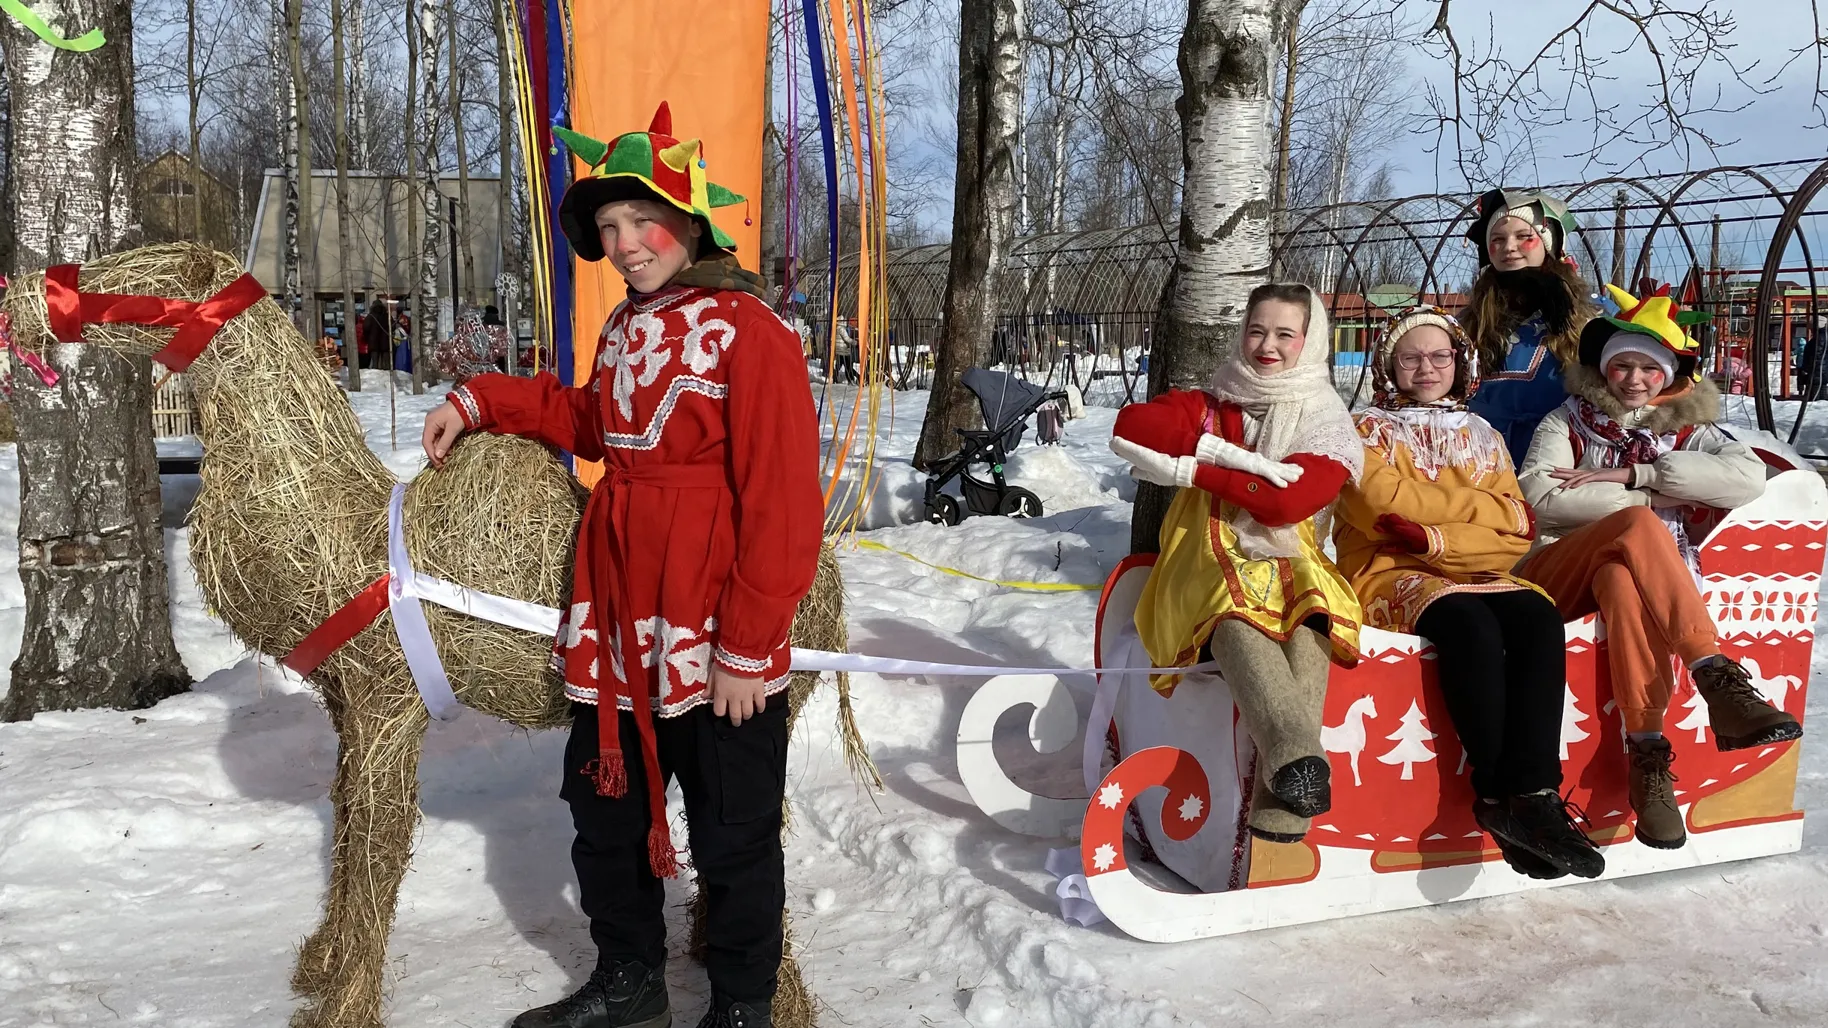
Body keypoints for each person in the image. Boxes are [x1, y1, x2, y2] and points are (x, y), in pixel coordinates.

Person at [422, 103, 822, 1028]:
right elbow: (589, 424)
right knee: (606, 814)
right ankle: (630, 980)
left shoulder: (749, 332)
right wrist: (480, 399)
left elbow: (783, 503)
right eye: (606, 230)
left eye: (639, 221)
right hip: (615, 610)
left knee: (734, 829)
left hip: (711, 622)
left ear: (687, 218)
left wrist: (749, 647)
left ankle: (743, 1004)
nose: (626, 244)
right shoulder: (624, 330)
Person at [1517, 283, 1802, 851]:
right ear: (1603, 368)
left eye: (1648, 368)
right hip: (1555, 569)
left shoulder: (1689, 428)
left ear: (1667, 375)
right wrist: (1648, 505)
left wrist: (1638, 476)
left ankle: (1648, 759)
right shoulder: (1566, 421)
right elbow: (1539, 497)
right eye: (1621, 365)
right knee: (1641, 530)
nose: (1634, 379)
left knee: (1623, 579)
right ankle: (1714, 674)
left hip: (1632, 575)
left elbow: (1747, 479)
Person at [1333, 307, 1601, 880]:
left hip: (1471, 568)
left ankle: (1534, 798)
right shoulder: (1362, 432)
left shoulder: (1482, 434)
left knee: (1535, 614)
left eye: (1439, 355)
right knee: (1469, 625)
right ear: (1388, 363)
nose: (1426, 368)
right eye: (1411, 357)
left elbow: (1517, 532)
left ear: (1461, 361)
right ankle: (1496, 792)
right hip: (1386, 572)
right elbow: (1380, 509)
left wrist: (1433, 533)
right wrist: (1480, 514)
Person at [1108, 283, 1364, 843]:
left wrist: (1187, 465)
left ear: (1310, 340)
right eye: (1255, 331)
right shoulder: (1215, 400)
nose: (1266, 346)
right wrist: (1227, 458)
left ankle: (1290, 786)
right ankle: (1298, 760)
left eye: (1283, 334)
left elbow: (1287, 503)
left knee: (1312, 612)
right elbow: (1131, 427)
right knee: (1234, 611)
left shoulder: (1326, 417)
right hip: (1206, 551)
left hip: (1294, 557)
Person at [1460, 189, 1596, 465]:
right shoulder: (1470, 319)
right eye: (1498, 239)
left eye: (1524, 237)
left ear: (1547, 243)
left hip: (1556, 456)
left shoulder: (1589, 317)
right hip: (1479, 455)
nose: (1509, 247)